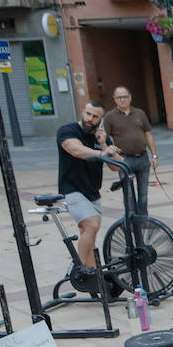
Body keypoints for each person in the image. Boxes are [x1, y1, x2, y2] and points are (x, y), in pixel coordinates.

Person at [57, 100, 123, 281]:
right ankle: (80, 269)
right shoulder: (67, 131)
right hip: (72, 189)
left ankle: (93, 279)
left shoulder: (101, 137)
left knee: (90, 233)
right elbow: (77, 150)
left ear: (100, 120)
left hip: (93, 192)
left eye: (95, 117)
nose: (89, 119)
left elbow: (117, 167)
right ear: (83, 112)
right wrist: (102, 154)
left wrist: (103, 145)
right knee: (92, 224)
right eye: (88, 114)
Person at [101, 87, 157, 214]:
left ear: (130, 97)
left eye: (125, 96)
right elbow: (104, 138)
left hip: (143, 158)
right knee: (129, 194)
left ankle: (143, 219)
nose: (123, 100)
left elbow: (148, 135)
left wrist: (154, 156)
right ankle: (131, 221)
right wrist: (112, 153)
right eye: (119, 97)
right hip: (124, 159)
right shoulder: (110, 117)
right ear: (114, 99)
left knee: (143, 193)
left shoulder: (140, 113)